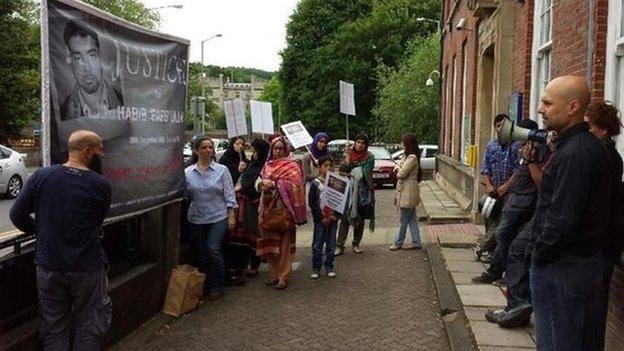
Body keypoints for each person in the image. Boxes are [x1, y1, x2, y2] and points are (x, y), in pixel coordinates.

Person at [10, 130, 112, 350]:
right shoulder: (101, 185)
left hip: (49, 265)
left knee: (54, 326)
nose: (102, 154)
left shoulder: (41, 176)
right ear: (87, 152)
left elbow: (16, 215)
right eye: (100, 149)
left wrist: (41, 231)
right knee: (89, 325)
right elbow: (98, 220)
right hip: (87, 268)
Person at [530, 75, 611, 350]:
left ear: (574, 107)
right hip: (582, 265)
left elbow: (562, 219)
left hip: (562, 269)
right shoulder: (584, 147)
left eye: (547, 103)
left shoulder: (574, 154)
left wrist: (539, 255)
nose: (541, 109)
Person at [472, 119, 541, 284]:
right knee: (501, 231)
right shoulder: (519, 149)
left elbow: (525, 174)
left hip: (523, 201)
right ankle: (501, 271)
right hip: (512, 199)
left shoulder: (536, 151)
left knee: (504, 234)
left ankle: (499, 272)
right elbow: (486, 167)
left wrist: (506, 187)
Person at [584, 101, 624, 350]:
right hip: (605, 243)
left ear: (603, 129)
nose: (586, 131)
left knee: (594, 308)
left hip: (603, 245)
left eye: (590, 126)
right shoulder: (609, 154)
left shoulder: (604, 156)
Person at [185, 136, 237, 300]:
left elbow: (229, 193)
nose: (208, 150)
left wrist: (231, 215)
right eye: (204, 148)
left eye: (210, 147)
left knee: (212, 248)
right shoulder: (188, 172)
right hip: (197, 217)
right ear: (196, 151)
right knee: (202, 253)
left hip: (218, 215)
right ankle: (204, 285)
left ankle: (218, 284)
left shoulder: (222, 170)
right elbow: (185, 194)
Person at [256, 137, 307, 290]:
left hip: (285, 210)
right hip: (267, 209)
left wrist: (276, 184)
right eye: (275, 148)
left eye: (280, 148)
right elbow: (258, 180)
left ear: (286, 149)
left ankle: (283, 276)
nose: (277, 151)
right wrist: (261, 184)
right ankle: (273, 274)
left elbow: (297, 185)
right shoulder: (267, 165)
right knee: (270, 244)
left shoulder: (292, 165)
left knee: (284, 245)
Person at [223, 138, 270, 283]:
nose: (253, 153)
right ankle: (240, 264)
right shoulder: (248, 164)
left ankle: (254, 264)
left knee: (253, 234)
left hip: (255, 205)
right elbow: (235, 180)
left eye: (255, 150)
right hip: (242, 205)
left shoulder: (266, 167)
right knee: (240, 236)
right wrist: (239, 171)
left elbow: (257, 184)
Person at [475, 114, 522, 261]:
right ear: (495, 127)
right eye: (498, 125)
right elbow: (485, 168)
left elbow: (518, 169)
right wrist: (489, 186)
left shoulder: (516, 146)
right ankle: (491, 251)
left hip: (508, 192)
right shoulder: (491, 145)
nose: (501, 128)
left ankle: (482, 246)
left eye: (504, 125)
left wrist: (506, 186)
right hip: (492, 191)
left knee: (502, 223)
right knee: (490, 219)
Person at [61, 20, 123, 121]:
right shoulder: (63, 113)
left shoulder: (123, 100)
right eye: (78, 58)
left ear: (100, 56)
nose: (87, 68)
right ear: (69, 59)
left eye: (92, 56)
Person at [335, 133, 375, 256]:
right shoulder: (347, 154)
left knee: (360, 218)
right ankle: (339, 245)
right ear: (355, 143)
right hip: (347, 191)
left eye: (363, 143)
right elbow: (341, 171)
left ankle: (356, 243)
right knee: (344, 218)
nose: (360, 145)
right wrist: (347, 160)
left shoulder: (370, 157)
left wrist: (350, 167)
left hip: (362, 192)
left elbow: (364, 173)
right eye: (358, 142)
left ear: (366, 145)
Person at [389, 133, 423, 251]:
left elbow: (401, 174)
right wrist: (399, 166)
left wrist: (398, 168)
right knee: (412, 219)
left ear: (407, 143)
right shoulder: (407, 156)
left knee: (403, 220)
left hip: (408, 190)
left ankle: (398, 242)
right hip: (406, 189)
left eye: (402, 142)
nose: (401, 144)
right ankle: (416, 242)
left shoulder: (412, 157)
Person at [308, 155, 339, 279]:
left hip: (332, 219)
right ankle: (316, 267)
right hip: (320, 219)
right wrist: (321, 217)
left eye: (330, 165)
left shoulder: (336, 183)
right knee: (317, 244)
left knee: (331, 244)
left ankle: (329, 266)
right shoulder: (315, 184)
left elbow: (339, 201)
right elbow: (312, 203)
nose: (328, 168)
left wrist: (336, 215)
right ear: (319, 168)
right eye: (325, 165)